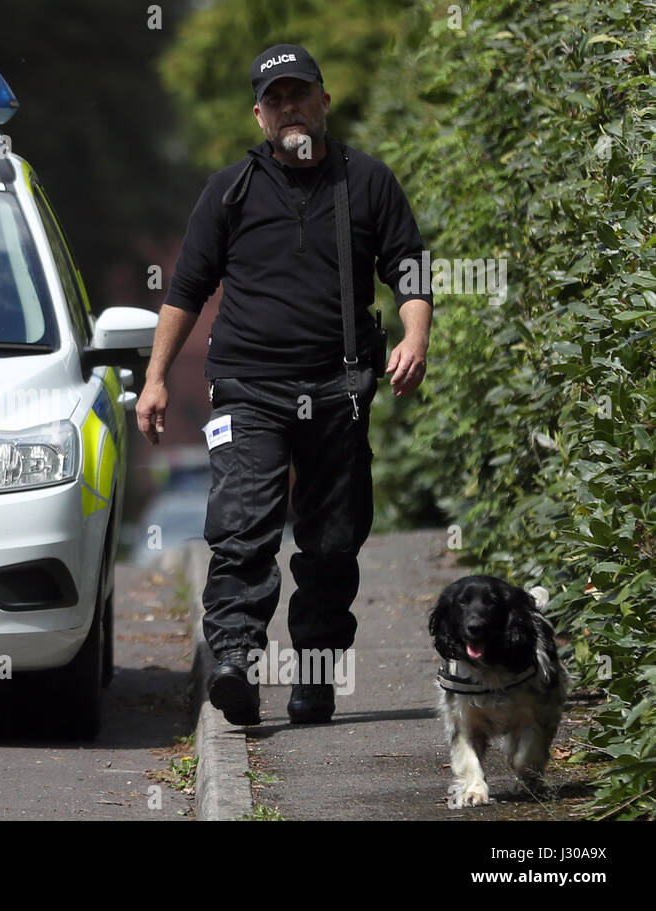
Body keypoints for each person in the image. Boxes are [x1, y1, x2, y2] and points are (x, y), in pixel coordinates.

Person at [136, 43, 432, 725]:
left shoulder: (367, 181)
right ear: (259, 113)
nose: (288, 106)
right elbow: (186, 288)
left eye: (299, 93)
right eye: (275, 98)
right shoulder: (230, 189)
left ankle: (316, 678)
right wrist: (155, 378)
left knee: (331, 544)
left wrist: (416, 337)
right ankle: (235, 662)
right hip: (249, 387)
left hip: (341, 388)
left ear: (323, 101)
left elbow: (409, 268)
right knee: (242, 529)